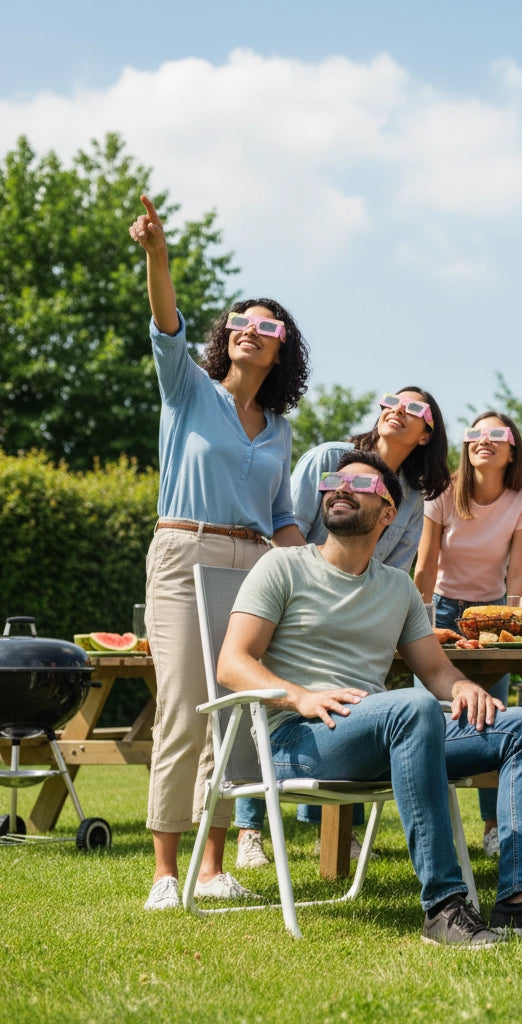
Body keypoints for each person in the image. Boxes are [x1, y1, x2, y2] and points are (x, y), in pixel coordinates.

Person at [217, 449, 522, 945]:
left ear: (388, 513)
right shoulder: (283, 567)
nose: (340, 489)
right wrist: (300, 697)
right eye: (335, 481)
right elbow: (232, 663)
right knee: (412, 707)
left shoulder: (397, 587)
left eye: (360, 486)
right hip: (299, 741)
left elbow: (436, 668)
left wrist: (462, 686)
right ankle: (444, 906)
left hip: (383, 737)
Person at [129, 196, 311, 911]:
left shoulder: (281, 431)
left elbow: (281, 517)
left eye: (268, 327)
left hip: (253, 567)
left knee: (235, 711)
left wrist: (323, 569)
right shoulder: (188, 390)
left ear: (281, 349)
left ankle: (212, 868)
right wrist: (157, 258)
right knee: (182, 707)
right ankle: (164, 874)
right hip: (182, 553)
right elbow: (164, 322)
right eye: (241, 321)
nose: (251, 332)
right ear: (226, 334)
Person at [233, 386, 450, 869]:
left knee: (371, 696)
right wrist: (318, 577)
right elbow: (286, 519)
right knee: (279, 685)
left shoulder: (412, 494)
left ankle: (334, 829)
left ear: (428, 430)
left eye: (415, 408)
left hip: (358, 597)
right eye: (393, 399)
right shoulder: (334, 460)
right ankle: (251, 827)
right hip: (298, 597)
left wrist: (387, 609)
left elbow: (390, 561)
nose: (398, 410)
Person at [414, 411, 522, 855]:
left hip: (492, 617)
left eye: (495, 435)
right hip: (443, 611)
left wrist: (512, 625)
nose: (483, 440)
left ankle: (492, 827)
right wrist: (423, 622)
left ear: (512, 450)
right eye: (475, 434)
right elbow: (425, 563)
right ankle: (432, 829)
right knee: (430, 719)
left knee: (492, 716)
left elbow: (519, 572)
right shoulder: (444, 493)